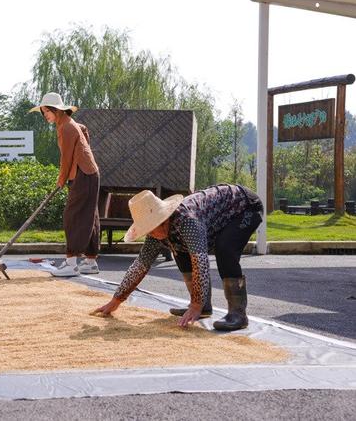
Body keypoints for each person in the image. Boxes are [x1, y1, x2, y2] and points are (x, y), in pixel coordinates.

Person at [94, 184, 263, 331]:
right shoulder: (156, 233)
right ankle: (204, 306)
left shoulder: (187, 221)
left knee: (225, 249)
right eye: (148, 229)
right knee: (180, 252)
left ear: (164, 219)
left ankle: (238, 314)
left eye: (153, 227)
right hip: (217, 217)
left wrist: (195, 305)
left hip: (245, 207)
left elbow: (201, 262)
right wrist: (116, 300)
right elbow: (141, 264)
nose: (152, 233)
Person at [30, 92, 101, 276]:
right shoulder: (69, 124)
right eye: (43, 112)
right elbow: (83, 128)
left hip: (83, 175)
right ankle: (91, 261)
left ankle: (71, 263)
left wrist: (61, 180)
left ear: (57, 110)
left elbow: (66, 158)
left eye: (46, 111)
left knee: (73, 216)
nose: (45, 115)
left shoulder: (66, 128)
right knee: (89, 216)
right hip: (89, 173)